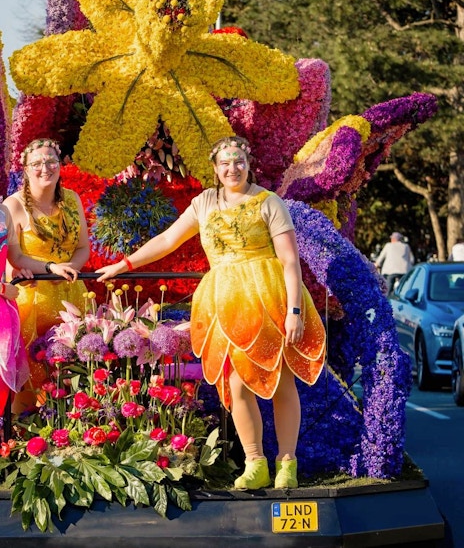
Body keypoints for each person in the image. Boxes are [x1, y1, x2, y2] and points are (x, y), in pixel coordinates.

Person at [96, 135, 326, 490]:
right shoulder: (204, 203)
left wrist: (294, 311)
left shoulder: (269, 202)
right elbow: (167, 240)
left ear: (249, 164)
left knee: (279, 380)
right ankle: (255, 463)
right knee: (234, 383)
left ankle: (287, 463)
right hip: (225, 302)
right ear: (215, 168)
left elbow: (290, 261)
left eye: (238, 162)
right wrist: (123, 264)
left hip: (269, 298)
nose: (232, 169)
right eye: (224, 163)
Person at [3, 138, 89, 413]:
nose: (45, 168)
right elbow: (15, 257)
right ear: (26, 169)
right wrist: (53, 268)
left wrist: (72, 267)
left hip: (73, 295)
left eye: (51, 161)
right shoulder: (13, 205)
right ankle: (25, 442)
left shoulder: (72, 200)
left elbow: (83, 247)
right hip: (34, 300)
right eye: (37, 163)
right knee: (32, 376)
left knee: (74, 374)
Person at [0, 202, 79, 421]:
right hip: (4, 296)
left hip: (3, 312)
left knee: (3, 385)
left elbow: (16, 257)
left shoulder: (3, 211)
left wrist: (50, 267)